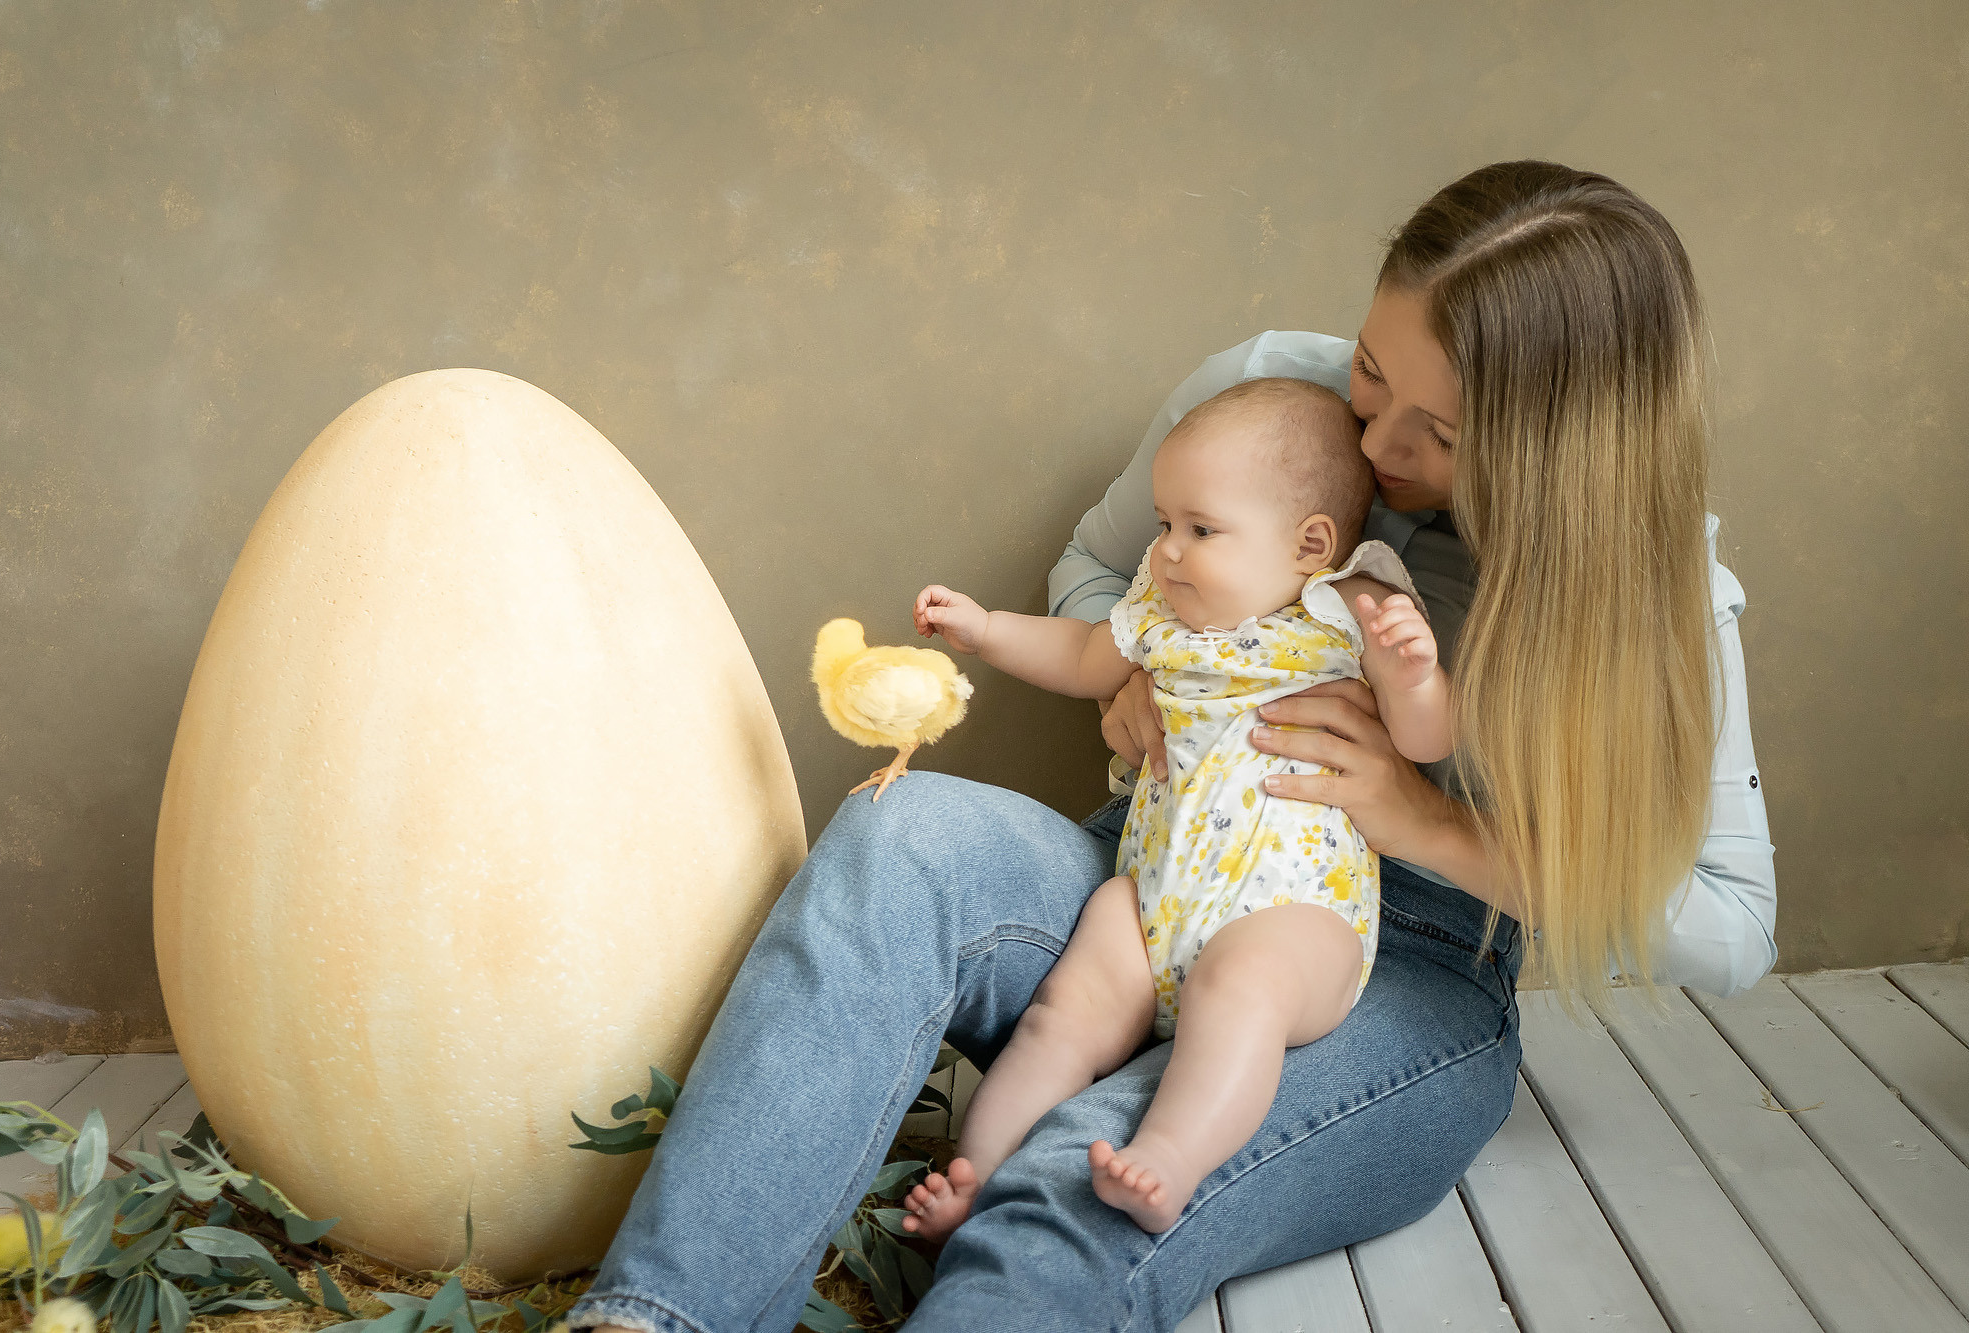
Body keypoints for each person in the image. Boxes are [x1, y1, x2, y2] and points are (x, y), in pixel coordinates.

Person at [562, 159, 1777, 1333]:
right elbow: (1095, 571)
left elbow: (1732, 925)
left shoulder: (1656, 589)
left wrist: (1426, 821)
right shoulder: (1266, 396)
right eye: (1371, 368)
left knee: (1090, 1171)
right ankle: (651, 1318)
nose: (1374, 447)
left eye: (1442, 435)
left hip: (1390, 960)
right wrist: (1137, 672)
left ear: (1554, 454)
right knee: (902, 830)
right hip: (1149, 868)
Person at [902, 376, 1448, 1237]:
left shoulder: (1350, 606)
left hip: (1294, 914)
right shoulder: (1158, 610)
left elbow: (1422, 742)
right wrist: (988, 629)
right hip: (1155, 900)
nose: (1167, 551)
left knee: (1241, 987)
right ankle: (976, 1173)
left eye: (1200, 529)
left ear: (1309, 543)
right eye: (1163, 524)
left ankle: (1168, 1157)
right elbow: (1082, 655)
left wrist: (1416, 678)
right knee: (1061, 1016)